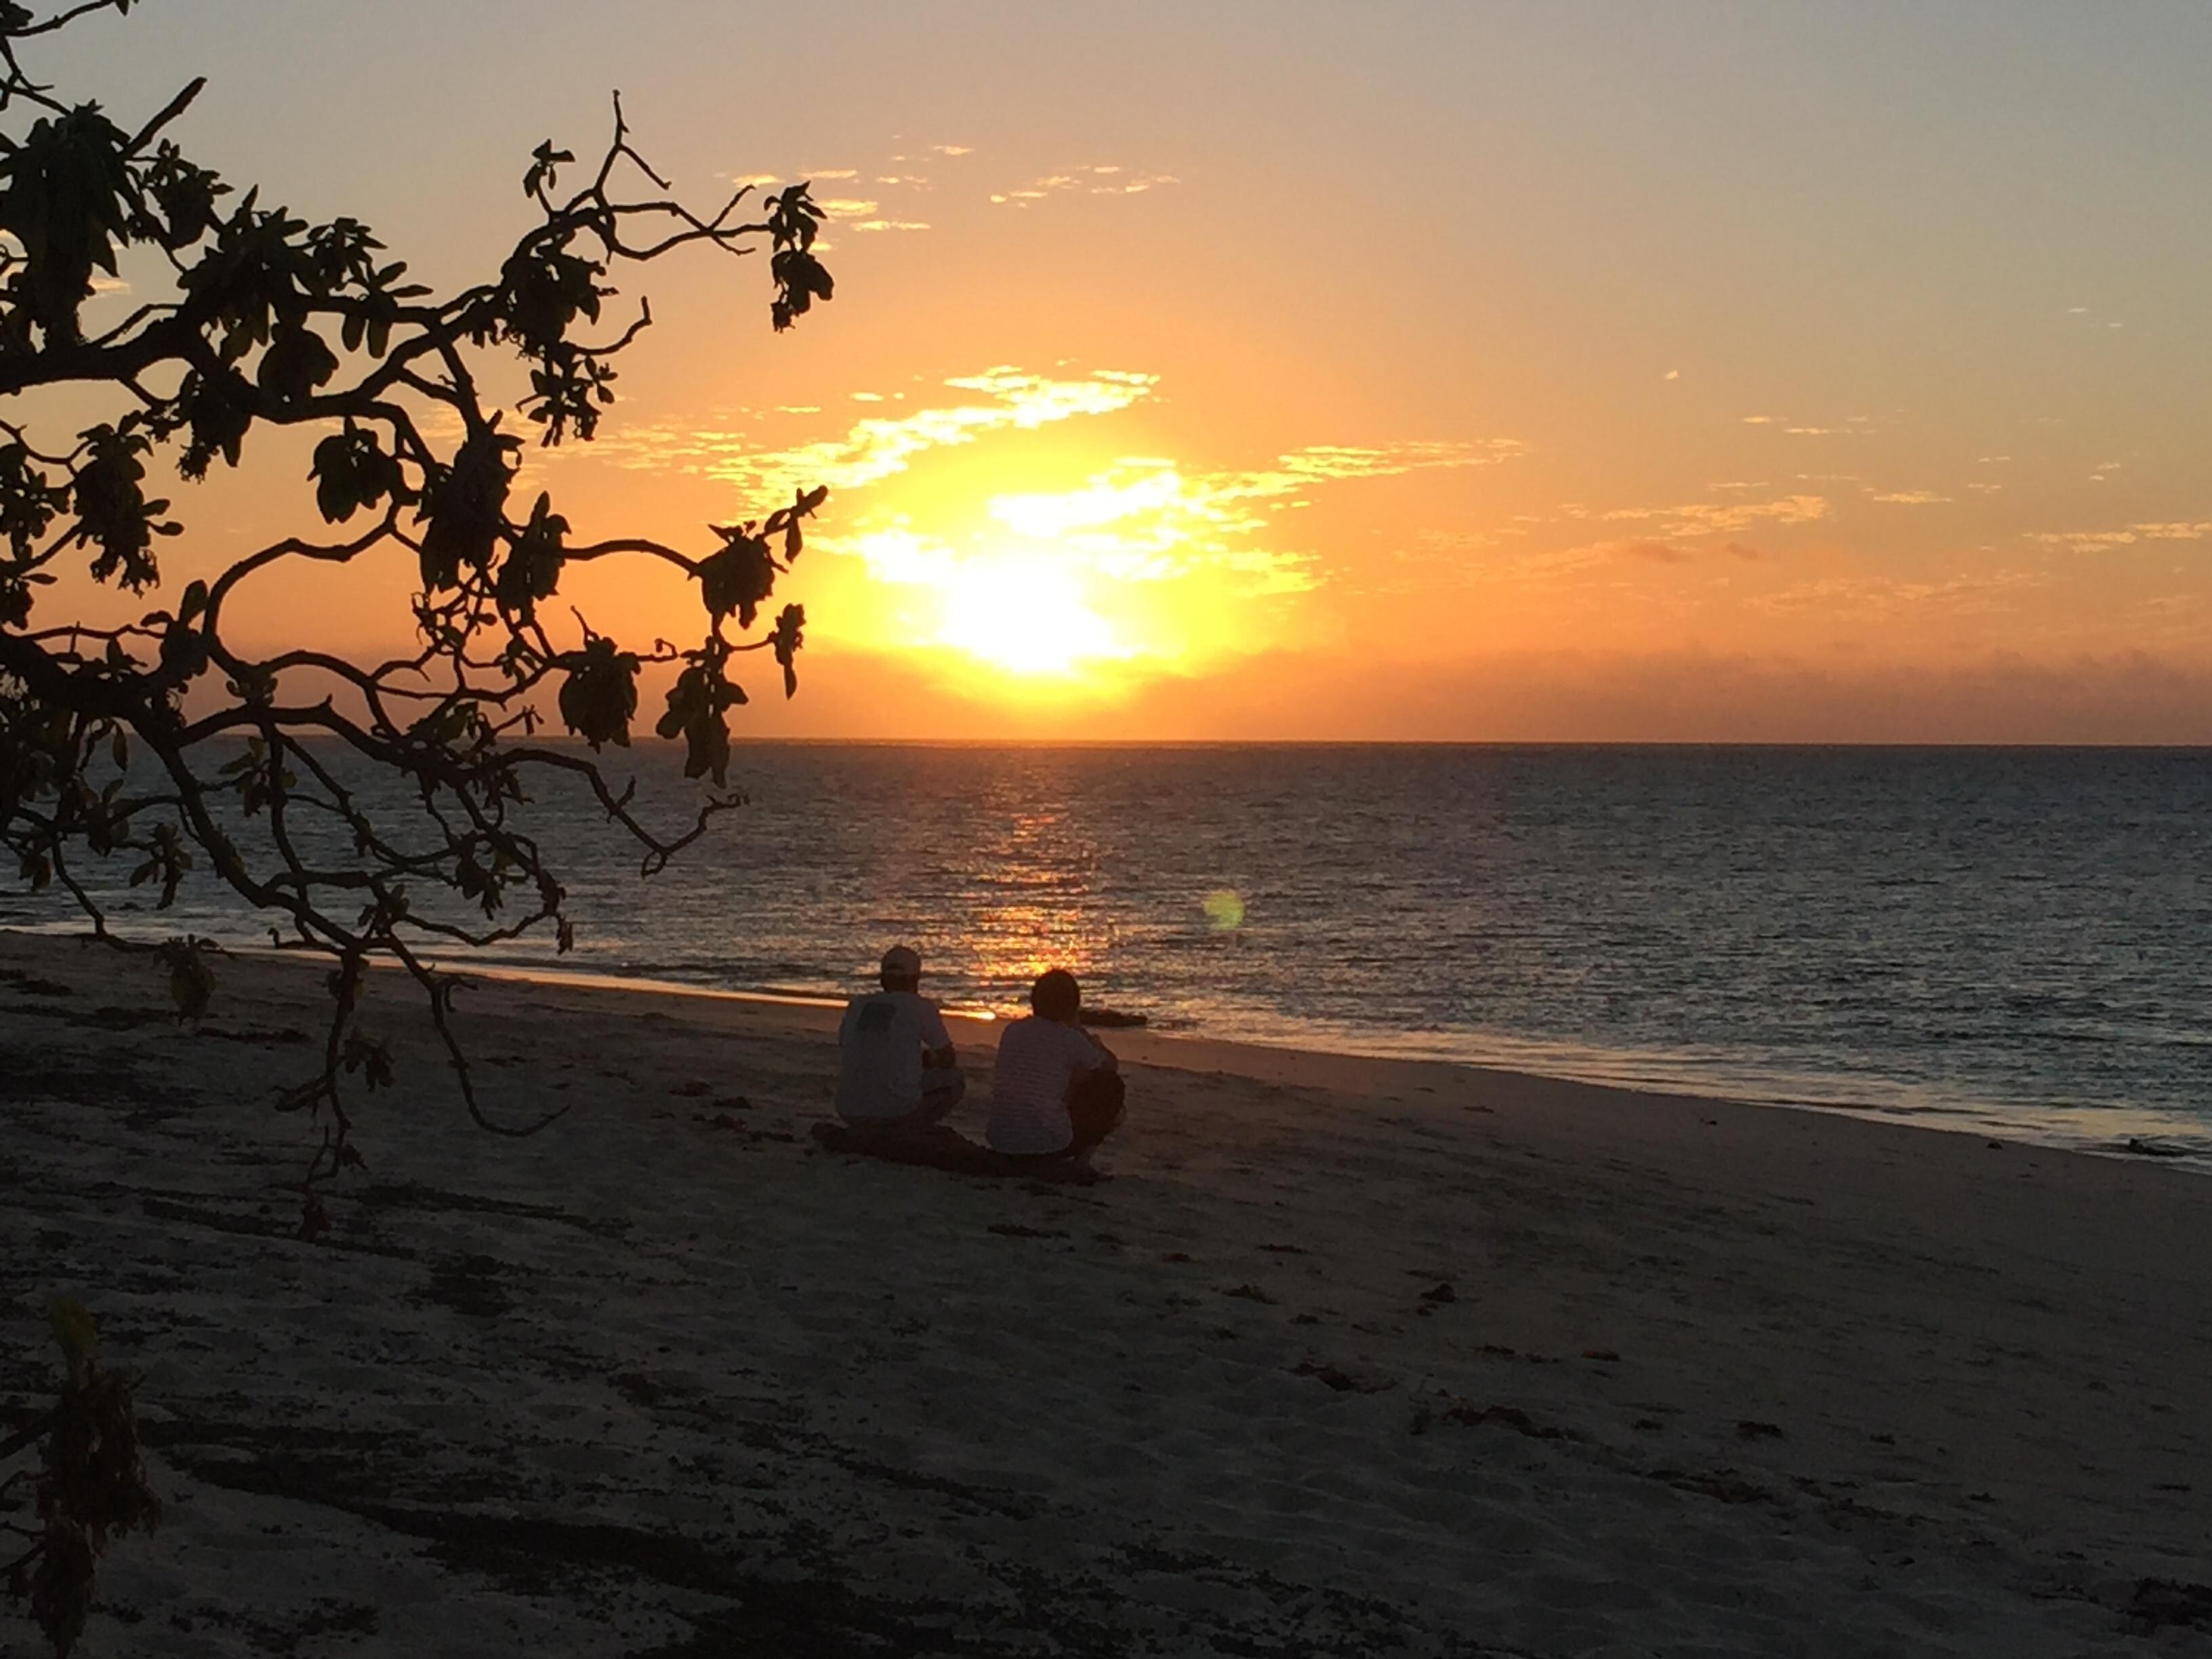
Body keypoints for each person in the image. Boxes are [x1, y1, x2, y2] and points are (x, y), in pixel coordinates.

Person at [986, 968, 1126, 1167]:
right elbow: (1110, 1065)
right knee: (1111, 1085)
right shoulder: (1070, 1038)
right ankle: (1081, 1164)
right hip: (1047, 1145)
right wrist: (1085, 1035)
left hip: (1001, 1140)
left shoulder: (1013, 1030)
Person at [835, 945, 964, 1131]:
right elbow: (948, 1059)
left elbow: (850, 1045)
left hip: (849, 1111)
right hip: (895, 1112)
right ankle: (914, 1129)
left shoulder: (857, 1005)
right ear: (915, 979)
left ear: (882, 980)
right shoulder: (920, 1007)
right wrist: (929, 1059)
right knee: (955, 1078)